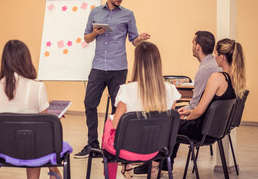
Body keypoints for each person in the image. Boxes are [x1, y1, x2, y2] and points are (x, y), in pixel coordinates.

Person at [74, 0, 151, 158]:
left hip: (118, 68)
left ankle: (114, 145)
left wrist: (141, 38)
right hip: (98, 66)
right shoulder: (95, 12)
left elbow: (133, 40)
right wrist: (95, 33)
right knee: (89, 104)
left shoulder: (128, 15)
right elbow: (86, 38)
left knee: (119, 108)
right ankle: (92, 145)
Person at [134, 30, 221, 174]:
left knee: (167, 122)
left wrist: (184, 114)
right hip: (211, 124)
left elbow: (195, 106)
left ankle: (155, 162)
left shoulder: (205, 69)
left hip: (201, 125)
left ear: (198, 47)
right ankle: (164, 163)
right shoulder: (212, 64)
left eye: (193, 43)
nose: (192, 46)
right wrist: (183, 112)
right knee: (174, 117)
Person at [102, 41, 181, 179]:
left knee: (110, 123)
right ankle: (154, 167)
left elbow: (116, 126)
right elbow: (168, 124)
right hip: (156, 150)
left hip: (126, 150)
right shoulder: (171, 90)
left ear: (137, 63)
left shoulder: (126, 90)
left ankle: (117, 171)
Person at [0, 40, 62, 179]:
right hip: (34, 150)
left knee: (30, 137)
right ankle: (54, 171)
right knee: (36, 138)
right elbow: (43, 127)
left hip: (4, 150)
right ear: (26, 60)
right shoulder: (37, 86)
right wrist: (54, 116)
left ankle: (53, 170)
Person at [172, 38, 246, 170]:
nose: (214, 56)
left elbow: (200, 111)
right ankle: (162, 164)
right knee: (174, 120)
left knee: (167, 123)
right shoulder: (236, 80)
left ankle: (157, 165)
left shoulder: (217, 77)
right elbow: (212, 108)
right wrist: (189, 111)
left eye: (216, 54)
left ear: (222, 57)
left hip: (200, 130)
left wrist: (186, 118)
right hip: (215, 131)